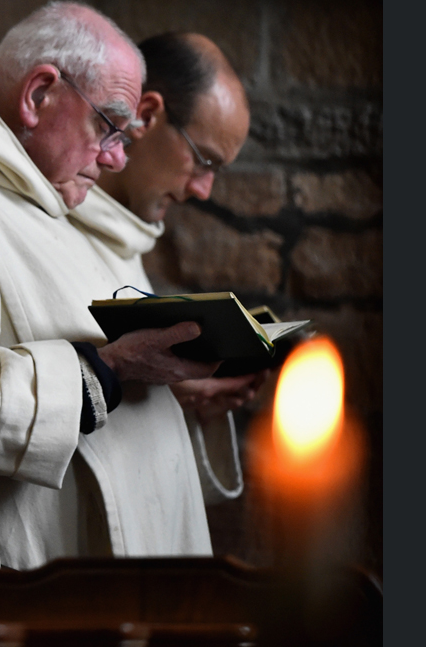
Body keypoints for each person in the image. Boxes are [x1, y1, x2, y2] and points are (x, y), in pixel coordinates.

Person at [0, 1, 221, 569]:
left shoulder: (44, 195)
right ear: (38, 96)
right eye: (108, 126)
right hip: (35, 573)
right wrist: (108, 371)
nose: (114, 159)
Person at [70, 32, 263, 506]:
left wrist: (180, 394)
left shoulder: (124, 234)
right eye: (204, 161)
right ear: (149, 116)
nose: (204, 190)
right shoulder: (39, 221)